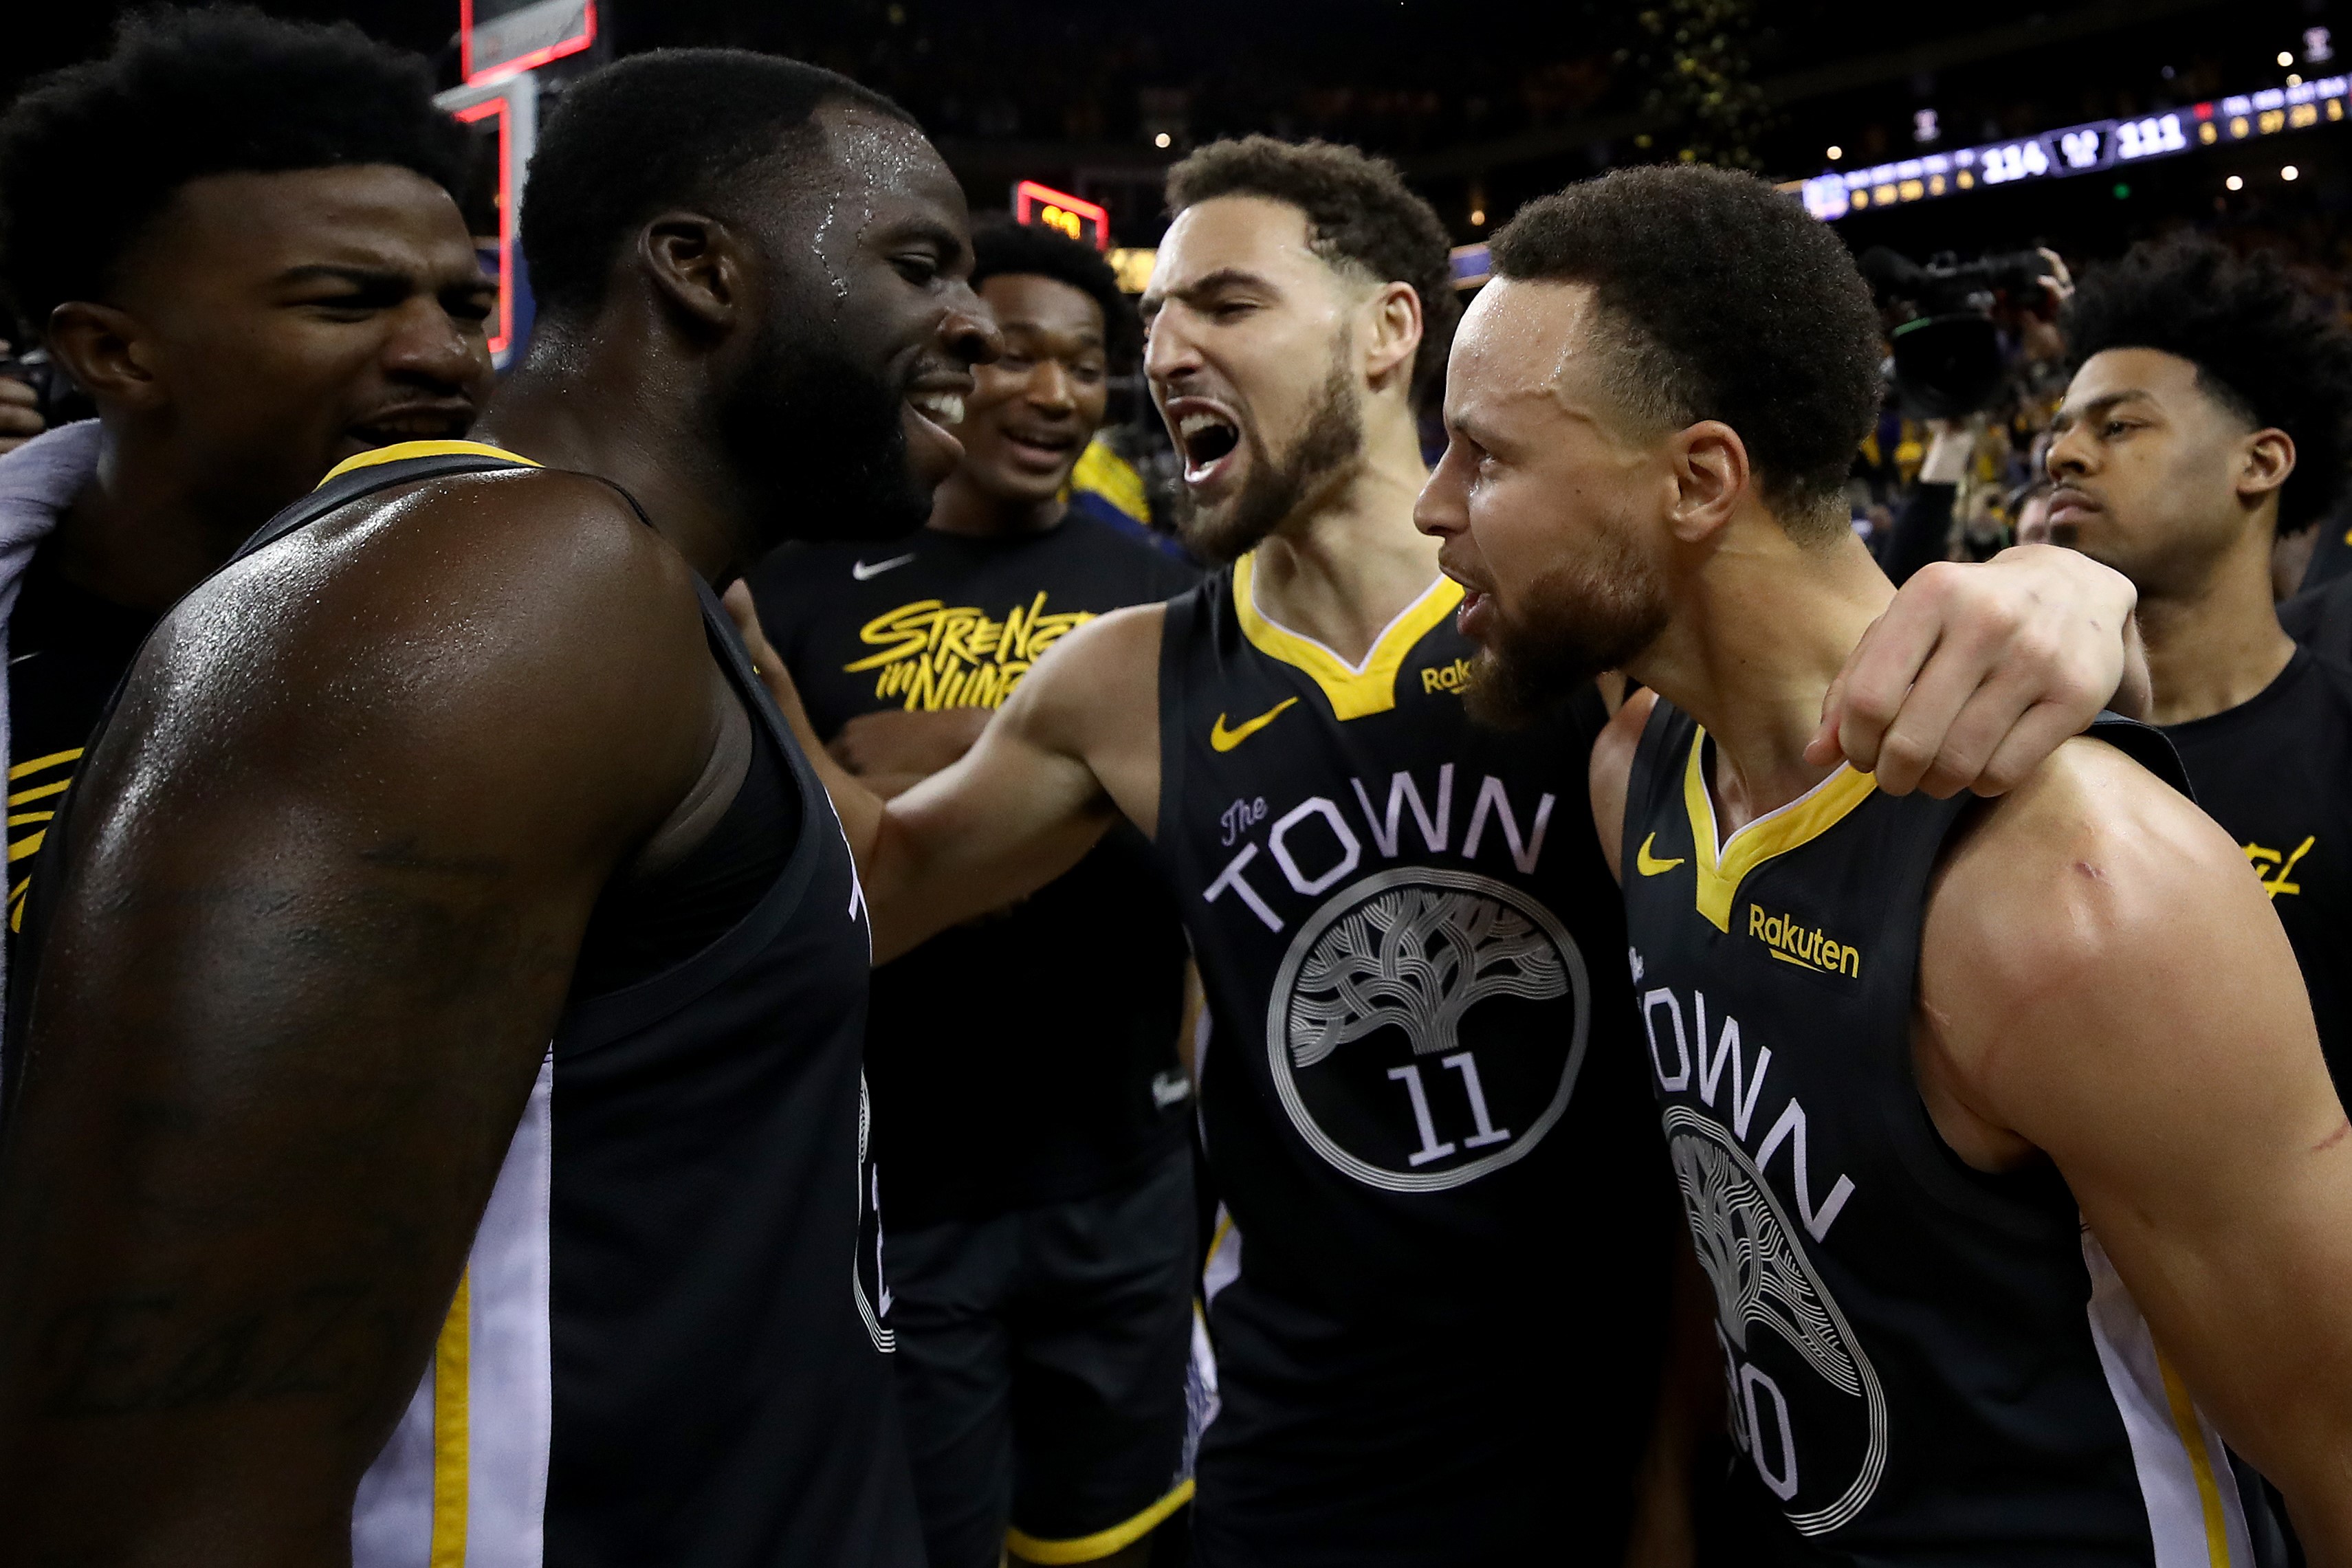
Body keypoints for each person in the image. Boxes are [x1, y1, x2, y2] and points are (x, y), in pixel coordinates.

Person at [732, 135, 2157, 1567]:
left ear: (1387, 330)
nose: (1164, 350)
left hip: (1625, 1424)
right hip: (1315, 1446)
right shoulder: (1122, 680)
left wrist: (2064, 589)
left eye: (1224, 305)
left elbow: (1840, 667)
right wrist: (739, 648)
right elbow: (874, 894)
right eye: (1154, 318)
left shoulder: (1588, 624)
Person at [0, 49, 1001, 1567]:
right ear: (698, 270)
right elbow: (160, 1489)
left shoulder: (643, 598)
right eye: (918, 261)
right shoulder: (506, 586)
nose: (976, 324)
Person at [1416, 162, 2352, 1563]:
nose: (1433, 508)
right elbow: (1728, 1202)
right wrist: (1670, 1496)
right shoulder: (1640, 775)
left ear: (1699, 481)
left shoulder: (2079, 888)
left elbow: (2335, 1442)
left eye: (1483, 455)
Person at [747, 221, 1201, 1568]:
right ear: (941, 362)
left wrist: (928, 758)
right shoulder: (799, 579)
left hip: (1117, 1179)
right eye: (1012, 356)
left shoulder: (1158, 591)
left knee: (1109, 1544)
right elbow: (795, 860)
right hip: (897, 1190)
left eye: (1080, 365)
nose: (1052, 396)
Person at [0, 7, 495, 980]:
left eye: (462, 305)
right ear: (115, 352)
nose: (443, 356)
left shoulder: (572, 627)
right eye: (346, 302)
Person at [2047, 236, 2352, 1105]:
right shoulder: (2013, 754)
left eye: (2118, 425)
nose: (2062, 454)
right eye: (2062, 426)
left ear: (2258, 463)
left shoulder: (2340, 744)